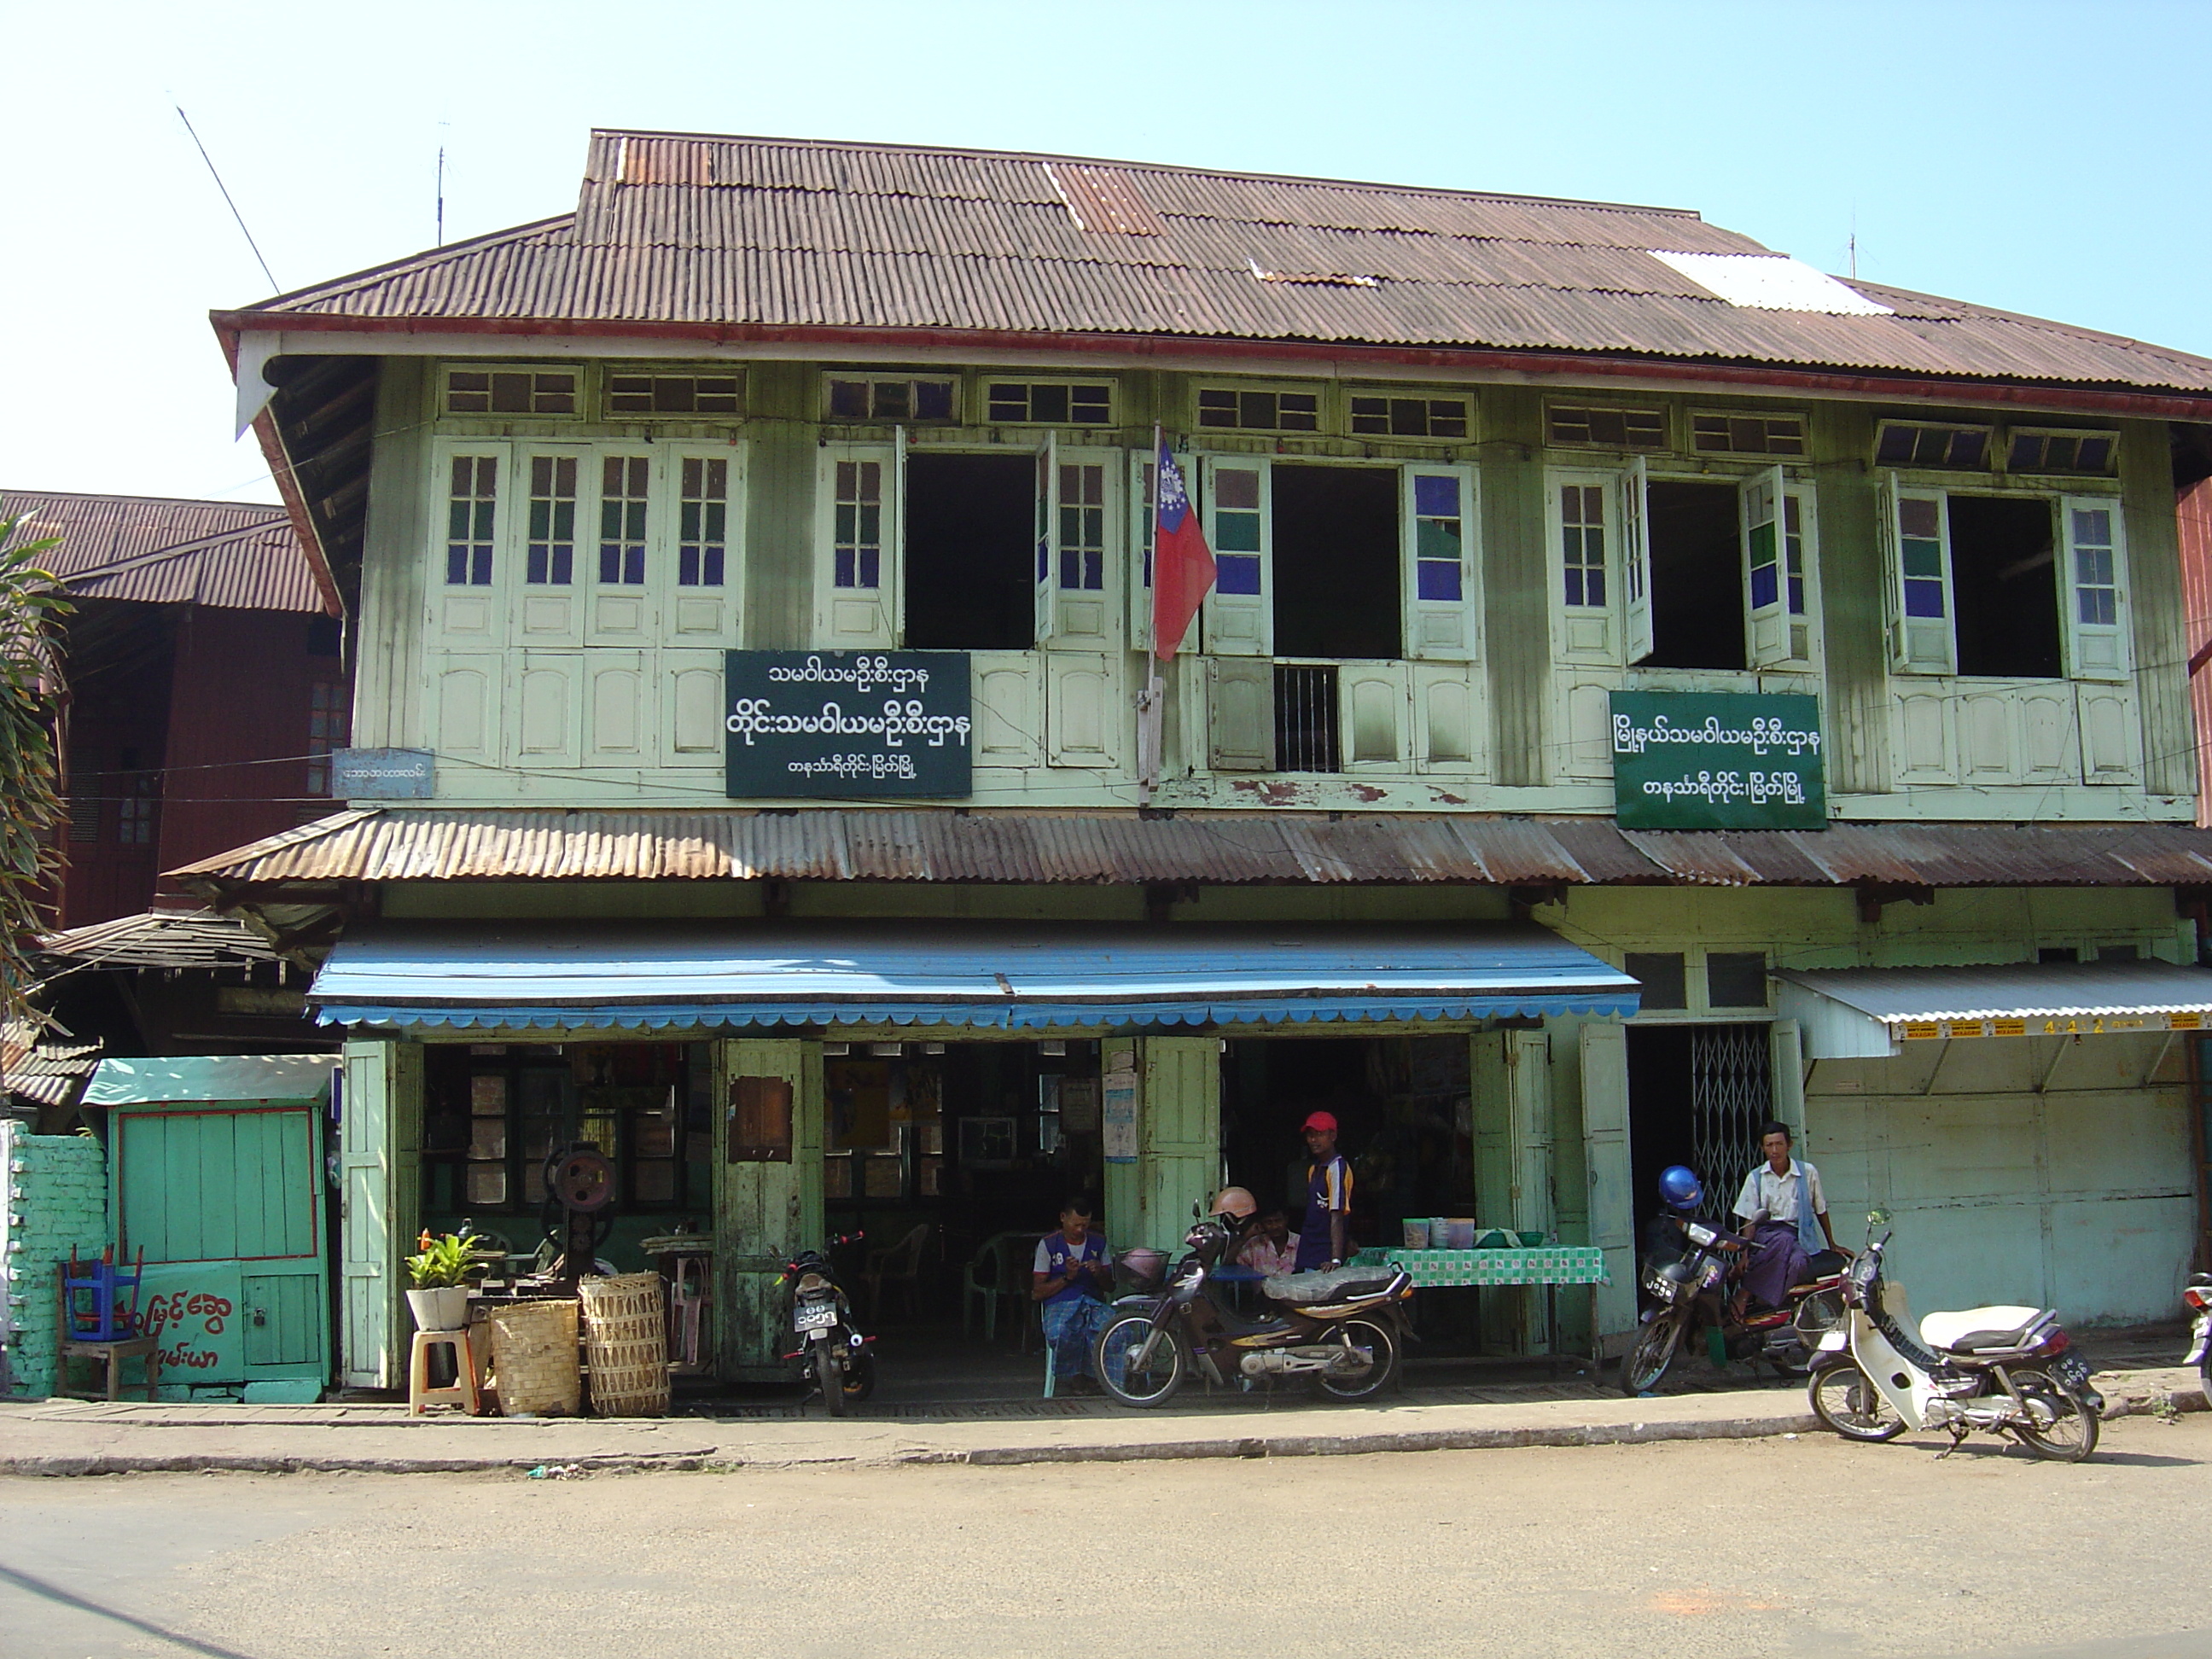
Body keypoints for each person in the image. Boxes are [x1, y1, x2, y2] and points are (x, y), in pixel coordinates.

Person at [1731, 1122, 1841, 1312]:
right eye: (1769, 1145)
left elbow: (1820, 1209)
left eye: (1779, 1144)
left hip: (1799, 1237)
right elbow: (1750, 1219)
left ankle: (1767, 1301)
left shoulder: (1807, 1173)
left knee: (1799, 1262)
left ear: (1789, 1145)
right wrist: (1744, 1254)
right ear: (1762, 1148)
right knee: (1782, 1239)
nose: (1774, 1150)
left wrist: (1832, 1244)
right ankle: (1749, 1293)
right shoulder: (1756, 1177)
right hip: (1766, 1235)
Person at [1032, 1195, 1113, 1388]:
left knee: (1117, 1331)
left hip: (1093, 1302)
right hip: (1060, 1303)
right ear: (1063, 1218)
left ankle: (1107, 1381)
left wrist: (1099, 1272)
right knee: (1061, 1332)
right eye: (1076, 1225)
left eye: (1084, 1225)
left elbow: (1110, 1287)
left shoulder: (1099, 1242)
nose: (1080, 1230)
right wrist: (1067, 1277)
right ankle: (1073, 1378)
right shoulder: (1048, 1244)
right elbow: (1037, 1292)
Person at [1294, 1111, 1354, 1272]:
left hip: (1326, 1251)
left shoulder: (1337, 1168)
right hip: (1309, 1246)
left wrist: (1335, 1259)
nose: (1313, 1140)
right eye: (1310, 1135)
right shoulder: (1314, 1169)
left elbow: (1337, 1216)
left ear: (1333, 1136)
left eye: (1319, 1134)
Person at [1237, 1208, 1297, 1279]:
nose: (1274, 1226)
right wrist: (1246, 1237)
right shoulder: (1254, 1244)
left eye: (1278, 1221)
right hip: (1262, 1290)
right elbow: (1228, 1262)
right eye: (1269, 1223)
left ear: (1286, 1220)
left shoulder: (1300, 1242)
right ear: (1261, 1225)